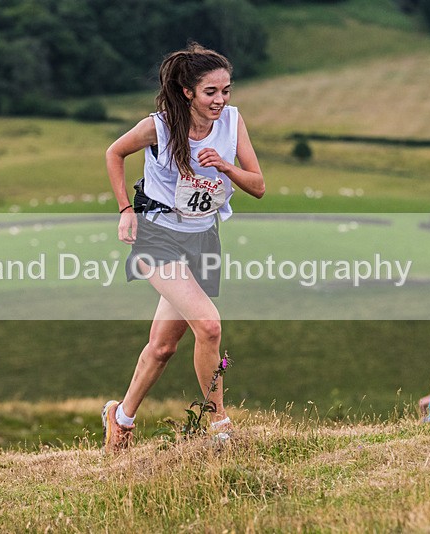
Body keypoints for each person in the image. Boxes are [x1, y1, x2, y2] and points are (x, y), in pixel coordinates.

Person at [102, 42, 265, 453]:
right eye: (211, 91)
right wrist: (125, 208)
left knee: (163, 347)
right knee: (208, 326)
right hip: (158, 238)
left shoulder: (232, 123)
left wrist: (225, 166)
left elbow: (258, 186)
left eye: (226, 90)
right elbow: (114, 152)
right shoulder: (157, 126)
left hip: (203, 236)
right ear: (188, 91)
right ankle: (219, 425)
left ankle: (119, 419)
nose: (221, 100)